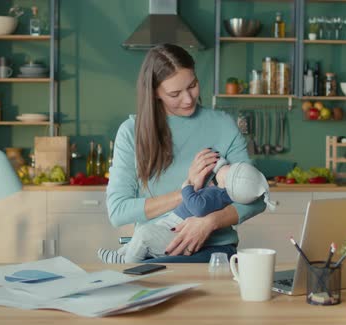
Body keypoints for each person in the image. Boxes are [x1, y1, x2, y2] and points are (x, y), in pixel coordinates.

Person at [105, 43, 266, 263]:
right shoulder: (131, 133)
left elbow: (256, 197)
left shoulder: (223, 126)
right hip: (154, 253)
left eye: (192, 85)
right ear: (154, 93)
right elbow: (119, 211)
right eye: (175, 93)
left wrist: (210, 222)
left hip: (216, 253)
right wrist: (188, 191)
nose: (189, 99)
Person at [99, 158, 275, 263]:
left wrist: (187, 187)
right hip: (172, 223)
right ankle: (119, 256)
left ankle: (127, 264)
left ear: (229, 183)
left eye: (228, 169)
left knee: (144, 235)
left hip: (177, 231)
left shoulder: (217, 195)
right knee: (139, 239)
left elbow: (197, 206)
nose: (225, 166)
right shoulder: (219, 191)